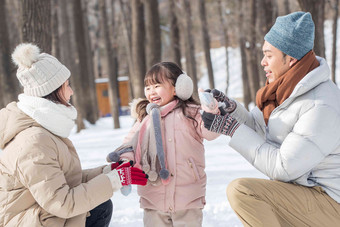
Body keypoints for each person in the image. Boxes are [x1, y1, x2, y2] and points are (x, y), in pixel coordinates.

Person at [201, 11, 340, 226]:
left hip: (331, 203)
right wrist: (230, 110)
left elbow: (284, 167)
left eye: (269, 55)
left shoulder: (320, 104)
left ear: (291, 59)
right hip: (307, 192)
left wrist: (230, 129)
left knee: (243, 192)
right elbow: (260, 130)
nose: (262, 62)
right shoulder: (286, 92)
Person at [0, 43, 148, 227]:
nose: (71, 91)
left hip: (41, 215)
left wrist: (109, 172)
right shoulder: (33, 142)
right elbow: (61, 202)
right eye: (66, 85)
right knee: (98, 206)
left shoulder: (43, 130)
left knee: (100, 206)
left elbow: (67, 182)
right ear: (52, 92)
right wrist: (113, 181)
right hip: (29, 221)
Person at [107, 62, 219, 227]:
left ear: (177, 87)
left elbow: (211, 133)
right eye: (148, 87)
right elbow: (131, 143)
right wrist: (125, 160)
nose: (151, 91)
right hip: (153, 194)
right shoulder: (145, 118)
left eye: (157, 86)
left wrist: (211, 112)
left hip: (187, 196)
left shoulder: (191, 112)